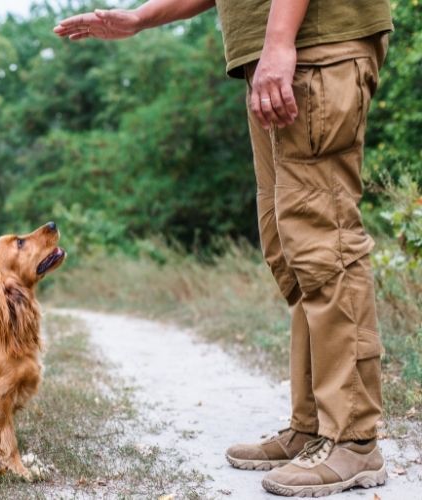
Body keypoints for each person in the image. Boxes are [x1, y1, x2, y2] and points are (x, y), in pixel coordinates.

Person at [54, 0, 393, 497]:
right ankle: (313, 427)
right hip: (278, 54)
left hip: (316, 47)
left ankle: (354, 439)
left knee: (326, 245)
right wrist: (142, 17)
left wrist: (280, 41)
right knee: (293, 252)